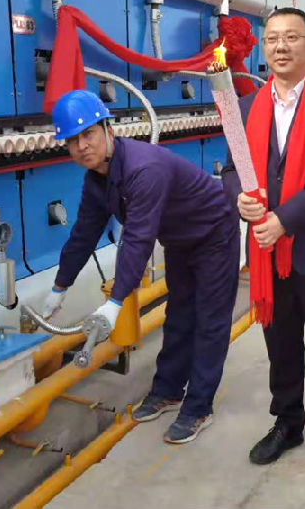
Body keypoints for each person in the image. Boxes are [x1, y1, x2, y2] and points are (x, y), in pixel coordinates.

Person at [42, 90, 240, 443]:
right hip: (179, 241)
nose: (82, 146)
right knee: (179, 316)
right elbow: (84, 233)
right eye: (72, 140)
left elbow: (138, 238)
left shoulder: (143, 169)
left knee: (210, 321)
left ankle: (198, 406)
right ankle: (168, 391)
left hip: (214, 234)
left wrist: (116, 301)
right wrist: (60, 286)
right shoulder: (96, 179)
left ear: (108, 129)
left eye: (88, 134)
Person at [222, 7, 305, 479]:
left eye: (292, 37)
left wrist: (284, 220)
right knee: (280, 345)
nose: (280, 46)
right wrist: (238, 198)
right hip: (266, 251)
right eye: (272, 38)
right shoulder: (246, 108)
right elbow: (231, 169)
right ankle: (288, 421)